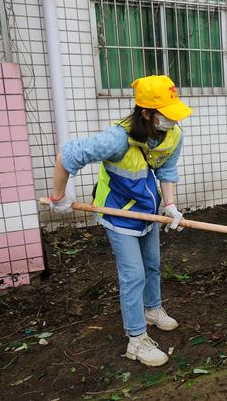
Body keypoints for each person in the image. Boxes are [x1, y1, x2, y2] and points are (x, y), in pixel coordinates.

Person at [48, 75, 192, 367]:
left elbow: (167, 171)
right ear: (147, 113)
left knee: (152, 265)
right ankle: (136, 340)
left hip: (147, 211)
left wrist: (171, 206)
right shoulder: (116, 138)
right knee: (133, 274)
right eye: (167, 116)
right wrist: (59, 196)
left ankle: (152, 309)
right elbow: (67, 155)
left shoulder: (173, 135)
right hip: (118, 213)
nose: (173, 122)